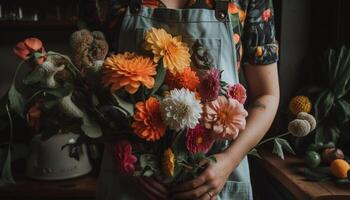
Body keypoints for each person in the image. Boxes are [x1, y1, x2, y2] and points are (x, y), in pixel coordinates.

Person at [96, 0, 280, 199]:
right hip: (133, 184)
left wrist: (229, 160)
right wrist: (126, 156)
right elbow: (87, 86)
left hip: (215, 182)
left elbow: (267, 95)